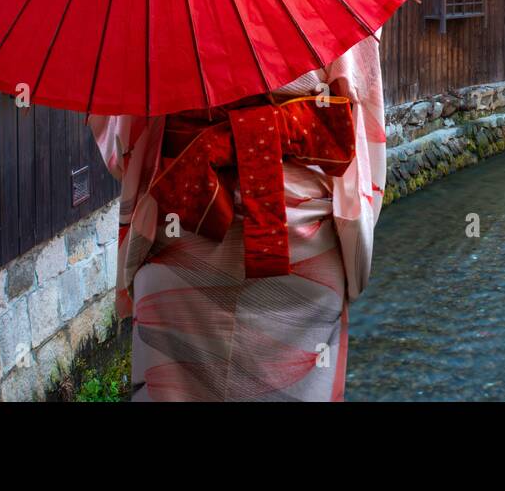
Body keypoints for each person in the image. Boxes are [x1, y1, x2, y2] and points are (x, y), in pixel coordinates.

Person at [88, 35, 386, 401]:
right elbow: (361, 119)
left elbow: (123, 146)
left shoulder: (152, 2)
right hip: (304, 240)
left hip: (186, 222)